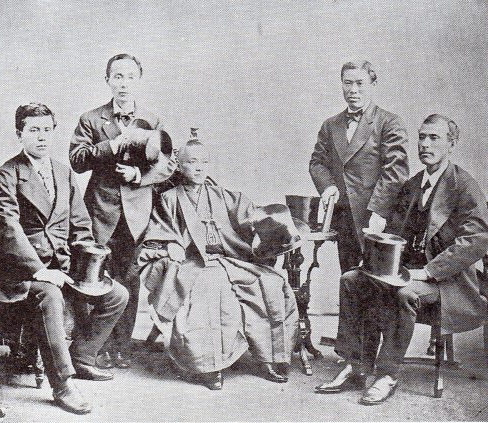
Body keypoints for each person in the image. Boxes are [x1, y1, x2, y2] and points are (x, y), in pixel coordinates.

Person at [314, 114, 488, 405]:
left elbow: (476, 239)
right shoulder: (412, 185)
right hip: (407, 271)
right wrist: (376, 253)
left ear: (451, 144)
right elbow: (395, 233)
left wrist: (429, 271)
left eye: (434, 138)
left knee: (404, 293)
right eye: (422, 137)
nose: (425, 144)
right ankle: (356, 365)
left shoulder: (464, 186)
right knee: (352, 280)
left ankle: (387, 374)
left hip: (447, 282)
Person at [0, 103, 129, 414]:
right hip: (19, 274)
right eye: (33, 130)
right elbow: (6, 229)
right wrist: (40, 271)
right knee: (50, 295)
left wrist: (90, 262)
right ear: (19, 135)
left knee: (117, 295)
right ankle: (62, 384)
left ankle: (81, 357)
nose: (41, 137)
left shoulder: (63, 173)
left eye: (46, 130)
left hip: (61, 267)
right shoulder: (6, 175)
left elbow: (80, 224)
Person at [138, 140, 299, 390]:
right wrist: (170, 244)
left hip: (231, 260)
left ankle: (269, 357)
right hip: (194, 263)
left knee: (269, 281)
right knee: (212, 286)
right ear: (179, 165)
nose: (199, 168)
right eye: (192, 162)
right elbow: (157, 232)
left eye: (204, 162)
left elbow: (252, 219)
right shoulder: (168, 199)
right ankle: (210, 366)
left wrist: (274, 227)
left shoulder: (225, 196)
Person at [69, 53, 176, 368]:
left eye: (130, 77)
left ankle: (121, 347)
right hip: (100, 211)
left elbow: (168, 165)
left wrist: (139, 176)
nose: (124, 83)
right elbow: (77, 160)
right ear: (107, 81)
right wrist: (111, 146)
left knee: (129, 279)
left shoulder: (153, 120)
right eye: (117, 76)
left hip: (137, 214)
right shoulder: (91, 119)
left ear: (138, 80)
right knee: (93, 277)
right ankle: (92, 347)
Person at [309, 60, 409, 273]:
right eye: (348, 83)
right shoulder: (330, 125)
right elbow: (317, 162)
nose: (353, 90)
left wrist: (379, 212)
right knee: (348, 278)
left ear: (373, 84)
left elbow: (395, 171)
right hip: (344, 219)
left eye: (360, 83)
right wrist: (328, 186)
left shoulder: (389, 123)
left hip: (377, 218)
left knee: (379, 281)